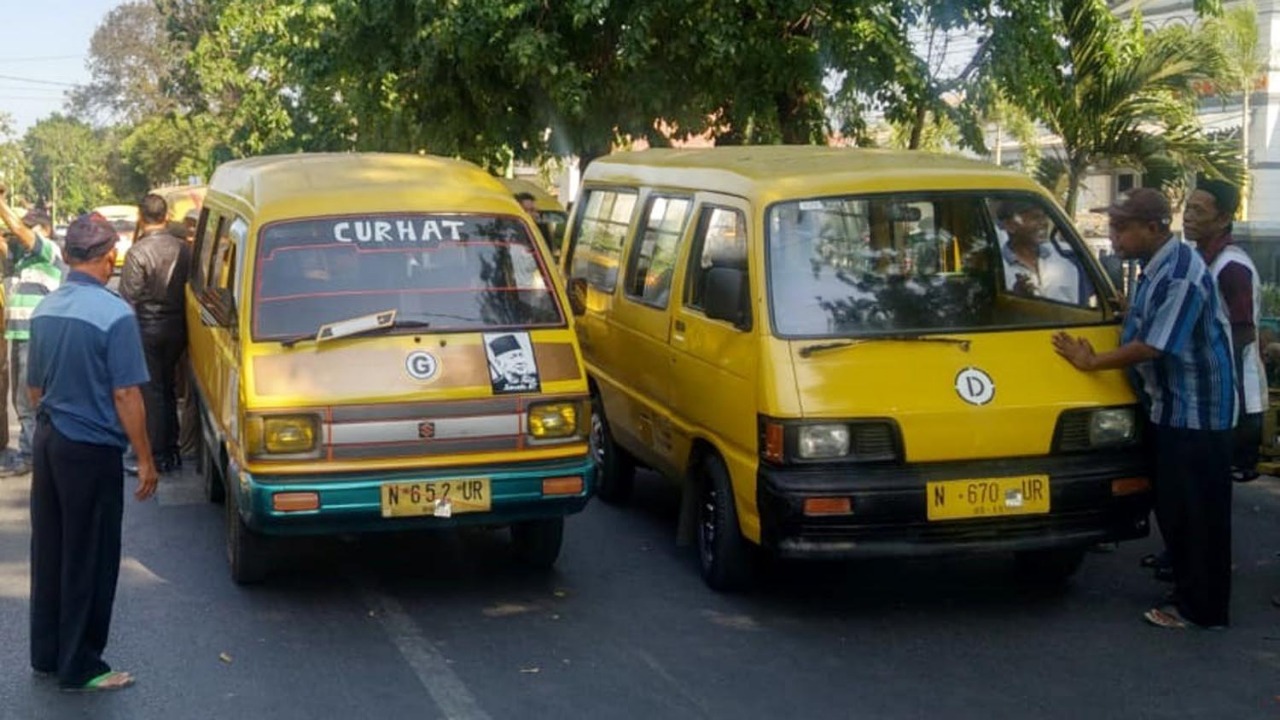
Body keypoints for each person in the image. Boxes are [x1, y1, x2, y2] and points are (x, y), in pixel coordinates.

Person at [1052, 188, 1235, 630]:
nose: (1113, 237)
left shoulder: (1181, 274)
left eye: (1121, 227)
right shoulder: (1154, 267)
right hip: (1168, 407)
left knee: (1198, 513)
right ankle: (1188, 591)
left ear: (1152, 228)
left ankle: (1202, 609)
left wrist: (1092, 361)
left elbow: (1155, 344)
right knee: (1175, 508)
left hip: (1197, 412)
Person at [28, 213, 157, 691]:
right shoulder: (115, 314)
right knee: (90, 555)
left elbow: (34, 390)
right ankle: (81, 665)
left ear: (65, 257)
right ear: (108, 259)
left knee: (52, 548)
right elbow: (127, 396)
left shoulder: (45, 309)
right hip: (90, 448)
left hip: (50, 441)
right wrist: (144, 458)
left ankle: (48, 652)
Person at [1184, 178, 1266, 483]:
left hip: (1234, 396)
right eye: (1188, 208)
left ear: (1222, 219)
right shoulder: (1204, 260)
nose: (1188, 216)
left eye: (1198, 210)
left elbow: (1242, 334)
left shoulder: (1231, 266)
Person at [119, 194, 190, 474]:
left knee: (154, 393)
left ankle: (157, 454)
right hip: (178, 327)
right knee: (169, 390)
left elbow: (128, 298)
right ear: (167, 215)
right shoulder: (183, 249)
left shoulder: (138, 252)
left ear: (140, 217)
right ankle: (171, 449)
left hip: (147, 329)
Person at [0, 192, 65, 477]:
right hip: (18, 334)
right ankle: (33, 453)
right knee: (21, 400)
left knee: (31, 398)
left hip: (36, 335)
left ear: (44, 230)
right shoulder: (22, 258)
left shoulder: (48, 250)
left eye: (30, 227)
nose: (22, 232)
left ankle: (33, 455)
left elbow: (16, 229)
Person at [995, 199, 1080, 304]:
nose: (1044, 223)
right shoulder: (996, 268)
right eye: (1035, 218)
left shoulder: (1063, 258)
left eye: (1045, 217)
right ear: (1010, 226)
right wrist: (1016, 298)